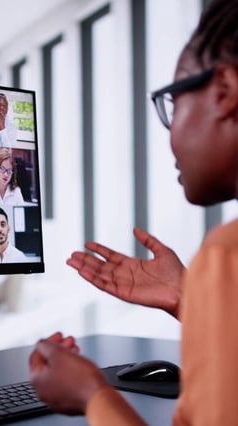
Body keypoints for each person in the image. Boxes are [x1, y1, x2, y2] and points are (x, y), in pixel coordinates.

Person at [29, 0, 238, 424]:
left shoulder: (227, 253)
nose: (169, 132)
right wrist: (190, 299)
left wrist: (91, 395)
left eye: (172, 101)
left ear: (225, 92)